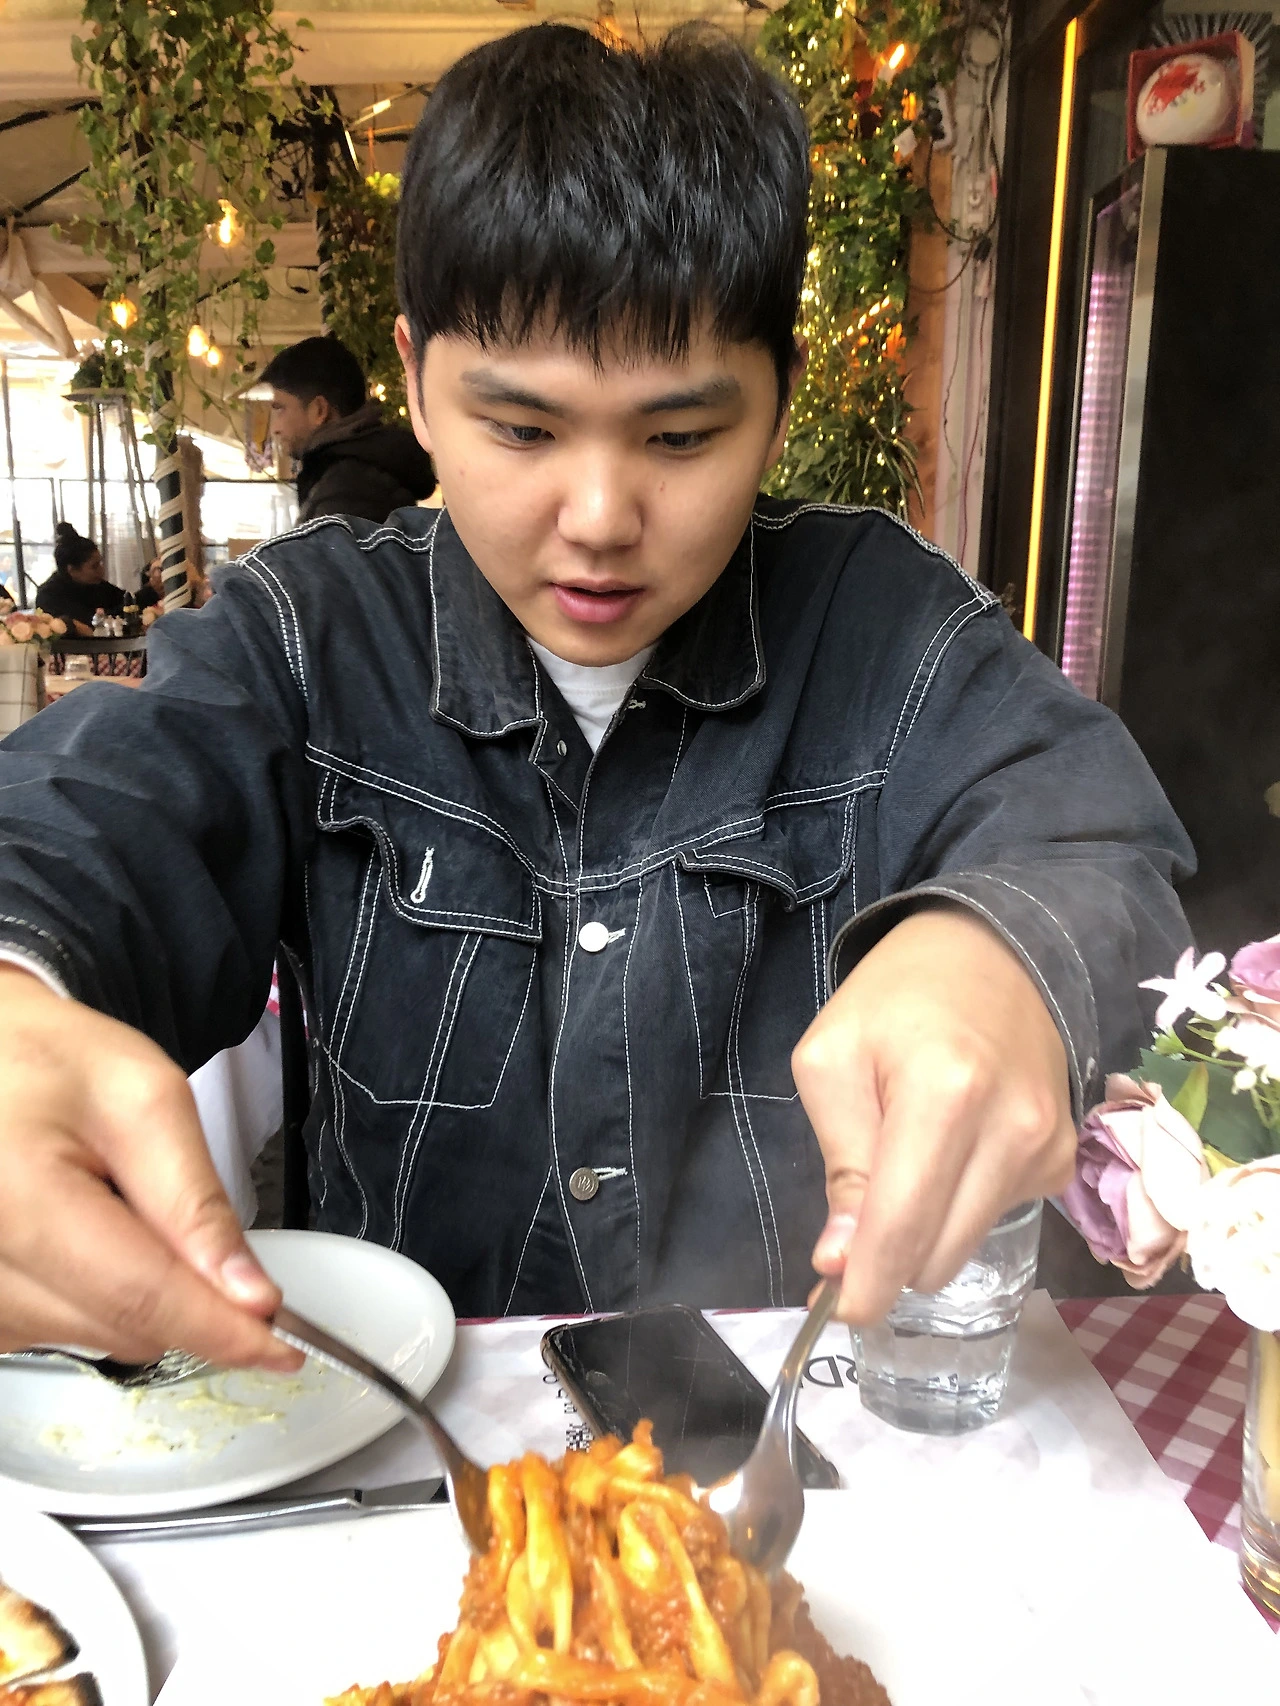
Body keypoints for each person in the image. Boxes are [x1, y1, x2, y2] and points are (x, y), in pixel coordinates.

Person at [0, 26, 1192, 1375]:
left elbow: (1091, 833)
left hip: (805, 1425)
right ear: (415, 383)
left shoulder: (880, 624)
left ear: (779, 399)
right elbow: (95, 809)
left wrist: (999, 956)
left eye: (681, 436)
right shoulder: (312, 634)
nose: (600, 518)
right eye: (521, 428)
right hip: (397, 1433)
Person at [260, 335, 437, 525]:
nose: (275, 428)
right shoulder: (359, 472)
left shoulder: (348, 491)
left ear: (319, 410)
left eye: (279, 408)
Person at [35, 524, 127, 636]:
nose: (102, 570)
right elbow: (89, 621)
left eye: (100, 563)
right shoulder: (48, 596)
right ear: (72, 570)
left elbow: (128, 602)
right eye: (95, 566)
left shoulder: (97, 586)